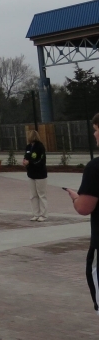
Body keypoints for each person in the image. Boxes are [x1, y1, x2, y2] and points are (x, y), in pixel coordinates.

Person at [65, 112, 99, 312]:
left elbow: (84, 207)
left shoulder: (95, 168)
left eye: (96, 130)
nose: (94, 135)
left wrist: (75, 198)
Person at [22, 129, 48, 221]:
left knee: (41, 194)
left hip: (40, 174)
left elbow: (41, 161)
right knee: (33, 195)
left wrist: (31, 163)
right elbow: (26, 156)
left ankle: (43, 215)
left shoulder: (40, 147)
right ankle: (36, 214)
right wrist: (25, 161)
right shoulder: (28, 147)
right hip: (31, 174)